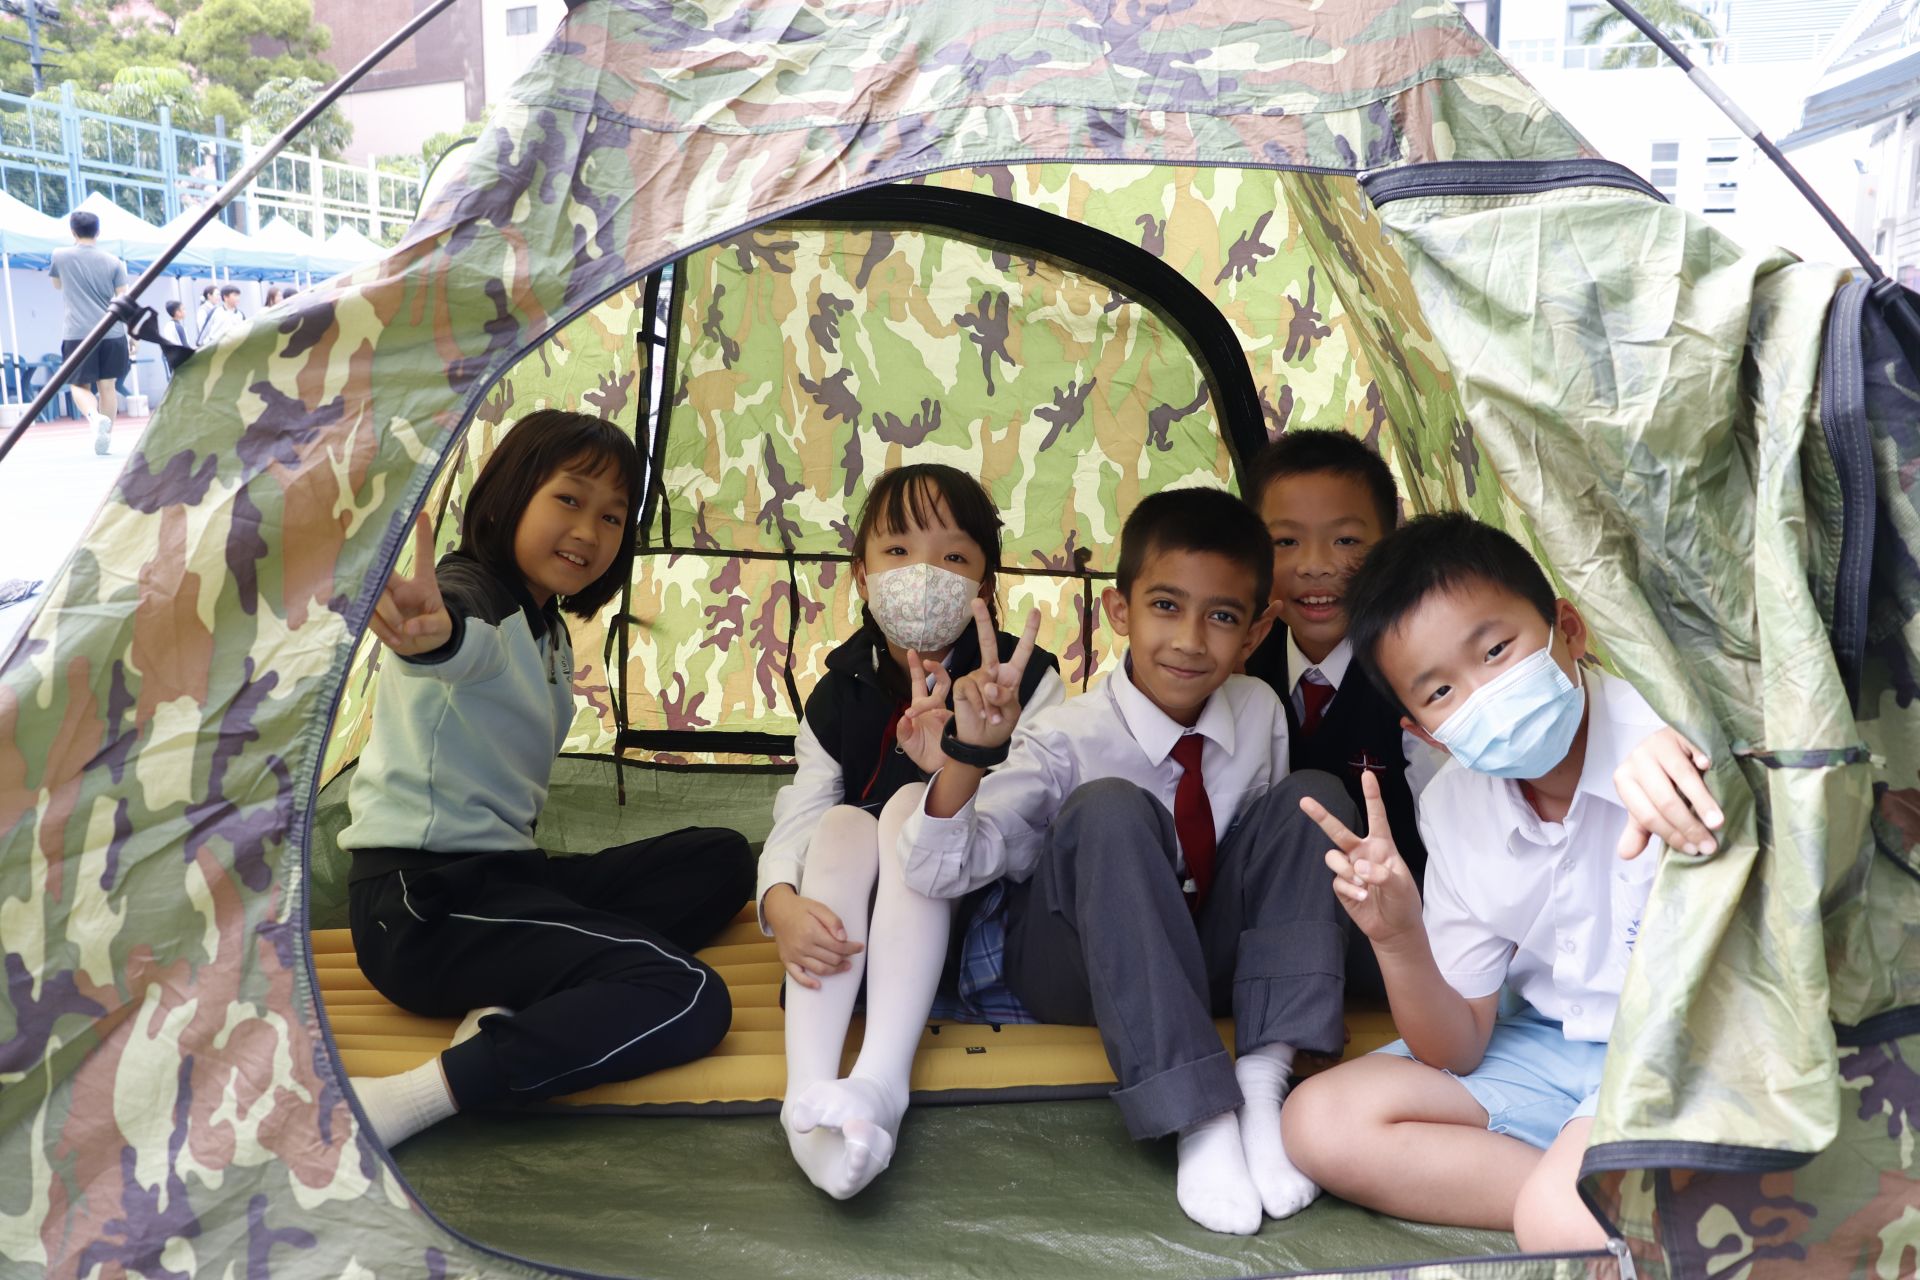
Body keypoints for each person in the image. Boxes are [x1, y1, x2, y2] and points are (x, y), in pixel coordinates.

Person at [902, 486, 1355, 1235]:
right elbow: (935, 870)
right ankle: (1199, 1113)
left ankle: (1262, 1079)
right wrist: (970, 754)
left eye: (1222, 617)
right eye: (1166, 607)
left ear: (1254, 633)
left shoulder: (1258, 712)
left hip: (1196, 955)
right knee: (1110, 806)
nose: (1190, 640)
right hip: (1075, 966)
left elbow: (1270, 874)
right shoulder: (1064, 736)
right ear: (1120, 612)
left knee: (1316, 797)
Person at [1282, 513, 1721, 1250]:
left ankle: (1573, 1201)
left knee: (1556, 1219)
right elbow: (1458, 1047)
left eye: (1495, 651)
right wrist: (1397, 938)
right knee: (1317, 1121)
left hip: (1682, 1055)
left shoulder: (1675, 735)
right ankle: (1581, 1195)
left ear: (1568, 630)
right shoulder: (1454, 807)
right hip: (1552, 1049)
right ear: (1426, 733)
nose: (1483, 693)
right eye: (1440, 692)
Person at [340, 409, 755, 1148]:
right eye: (568, 499)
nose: (589, 531)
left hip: (505, 880)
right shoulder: (472, 594)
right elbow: (456, 633)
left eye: (612, 517)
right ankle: (412, 1098)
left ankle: (514, 995)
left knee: (720, 858)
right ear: (509, 495)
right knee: (688, 994)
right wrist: (432, 637)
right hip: (422, 910)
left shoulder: (547, 626)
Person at [765, 463, 1065, 1200]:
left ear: (985, 584)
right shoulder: (839, 689)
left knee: (906, 808)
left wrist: (962, 763)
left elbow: (1029, 824)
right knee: (840, 822)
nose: (924, 574)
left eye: (953, 556)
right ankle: (805, 1096)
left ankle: (881, 1083)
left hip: (976, 926)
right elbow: (799, 814)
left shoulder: (1028, 682)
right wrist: (780, 905)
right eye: (898, 551)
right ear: (861, 576)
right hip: (858, 943)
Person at [1240, 428, 1442, 997]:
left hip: (1390, 944)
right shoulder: (1228, 666)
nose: (1315, 567)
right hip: (1254, 943)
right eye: (1285, 542)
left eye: (1346, 540)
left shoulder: (1421, 679)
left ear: (1390, 545)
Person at [48, 210, 128, 455]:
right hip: (112, 331)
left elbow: (57, 285)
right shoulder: (114, 262)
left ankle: (94, 417)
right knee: (108, 386)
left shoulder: (60, 255)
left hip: (78, 332)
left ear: (73, 231)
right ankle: (106, 438)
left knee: (78, 385)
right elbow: (124, 297)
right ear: (98, 231)